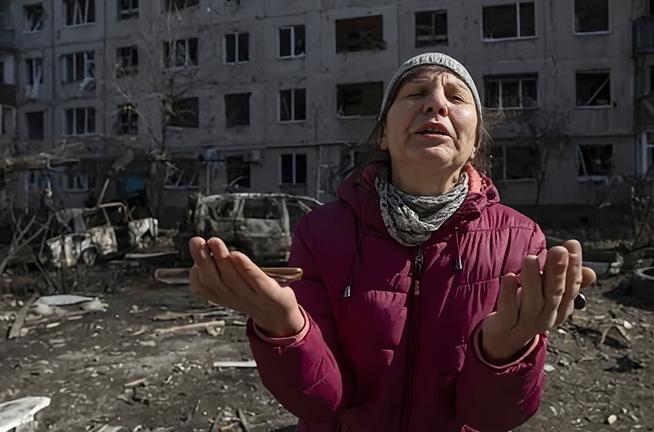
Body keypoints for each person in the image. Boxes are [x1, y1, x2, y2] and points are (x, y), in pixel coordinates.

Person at [188, 52, 597, 431]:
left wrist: (508, 347)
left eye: (455, 96)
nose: (435, 104)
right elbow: (323, 402)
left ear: (474, 143)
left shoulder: (520, 239)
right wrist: (282, 327)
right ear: (383, 134)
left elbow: (492, 417)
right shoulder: (320, 233)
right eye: (417, 92)